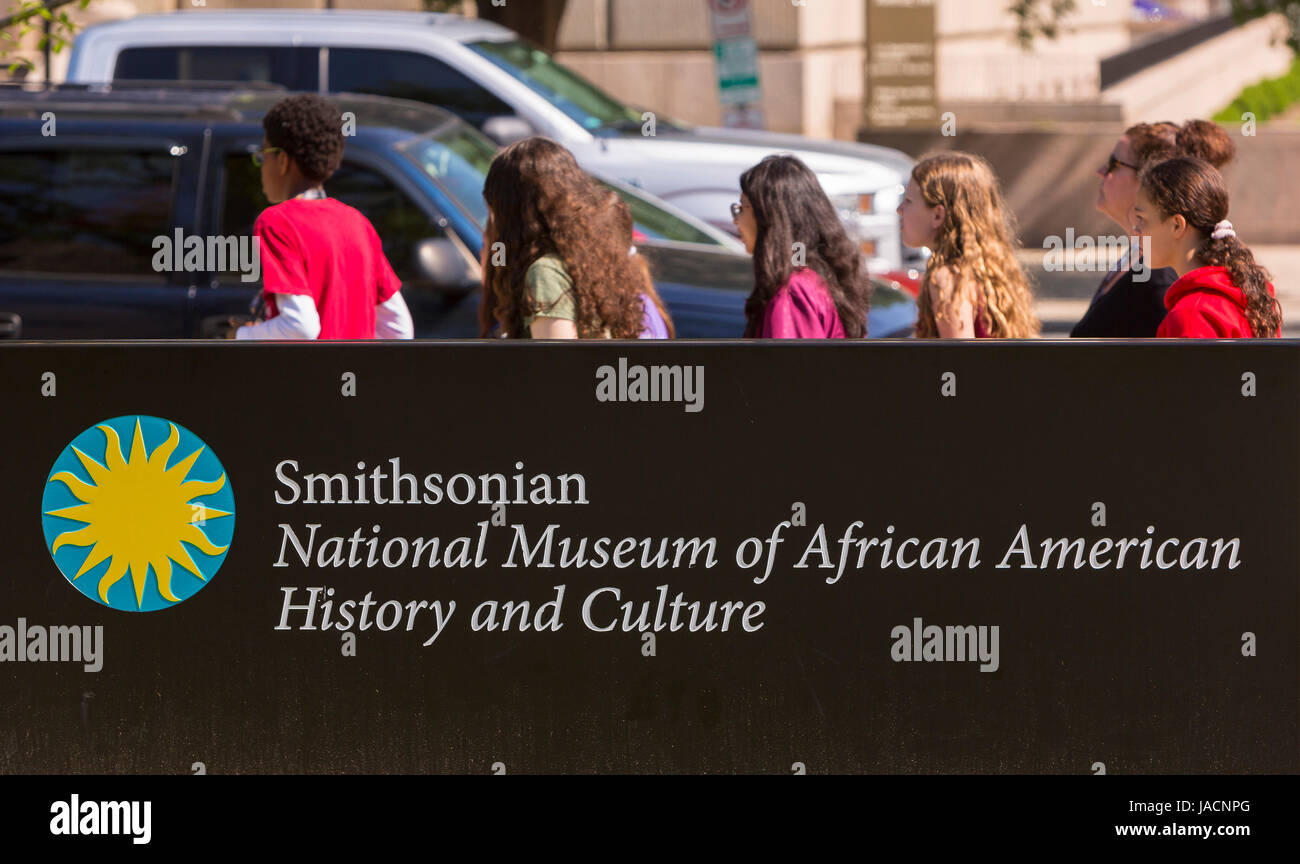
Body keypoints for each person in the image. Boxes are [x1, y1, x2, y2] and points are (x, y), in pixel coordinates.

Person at [234, 94, 413, 341]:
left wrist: (241, 335)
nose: (262, 165)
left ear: (283, 161)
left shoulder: (276, 222)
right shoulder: (357, 222)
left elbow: (301, 326)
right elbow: (399, 328)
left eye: (264, 155)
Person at [478, 137, 670, 340]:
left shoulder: (545, 272)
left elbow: (559, 366)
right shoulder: (592, 253)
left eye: (494, 209)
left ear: (511, 212)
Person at [1071, 119, 1236, 338]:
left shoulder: (1165, 284)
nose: (1101, 171)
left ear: (1148, 179)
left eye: (1115, 164)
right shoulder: (1145, 263)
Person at [1132, 156, 1281, 338]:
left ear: (1177, 225)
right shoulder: (1252, 294)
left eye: (1142, 219)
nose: (1135, 230)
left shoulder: (1190, 317)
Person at [897, 152, 1038, 338]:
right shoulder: (992, 269)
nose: (899, 210)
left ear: (938, 215)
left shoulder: (948, 279)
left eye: (908, 201)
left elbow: (961, 362)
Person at [732, 154, 870, 338]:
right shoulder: (812, 276)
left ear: (768, 217)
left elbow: (791, 365)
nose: (736, 220)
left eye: (742, 207)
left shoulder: (792, 292)